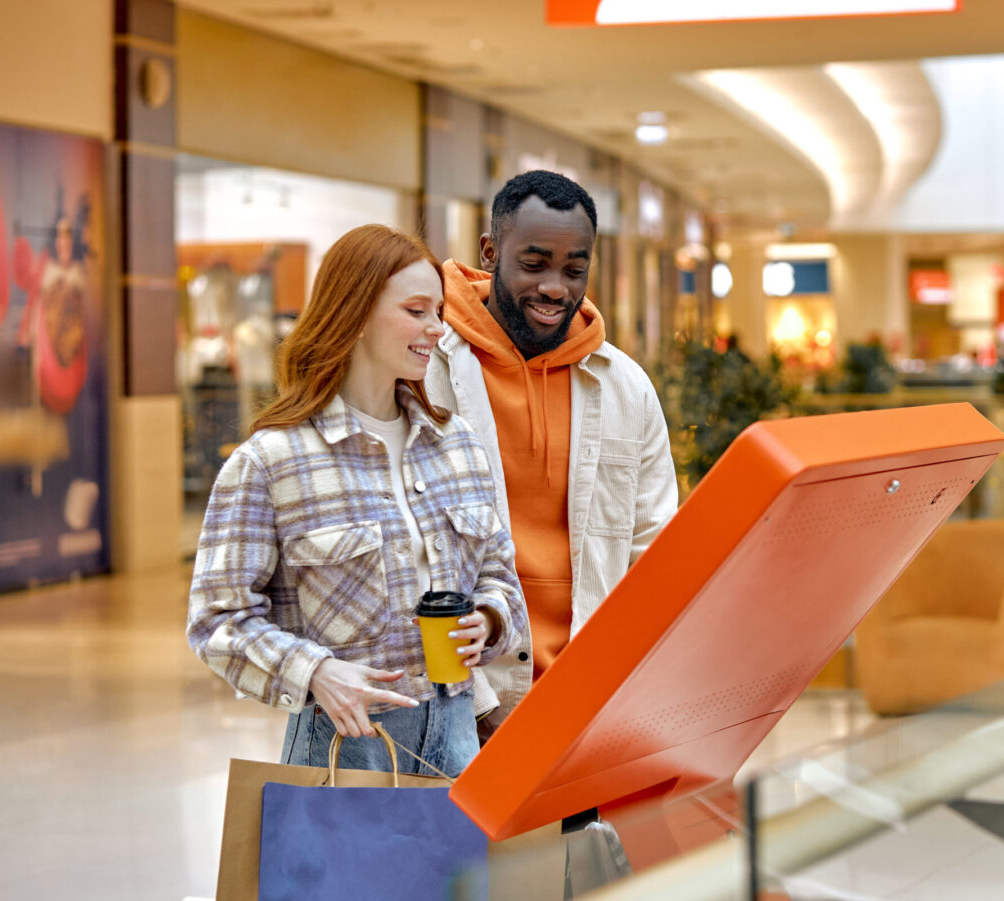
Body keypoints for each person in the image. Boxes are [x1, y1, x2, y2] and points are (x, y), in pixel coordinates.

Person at [188, 224, 526, 777]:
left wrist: (487, 620)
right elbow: (216, 621)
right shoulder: (272, 461)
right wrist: (316, 672)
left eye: (438, 312)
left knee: (457, 870)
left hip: (459, 733)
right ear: (358, 313)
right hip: (344, 746)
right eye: (417, 311)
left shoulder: (457, 446)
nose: (436, 329)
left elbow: (499, 575)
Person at [425, 170, 678, 734]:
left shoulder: (626, 387)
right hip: (459, 699)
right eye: (534, 264)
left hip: (587, 701)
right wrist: (481, 704)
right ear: (491, 252)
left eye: (574, 268)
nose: (555, 287)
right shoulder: (427, 372)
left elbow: (653, 549)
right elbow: (410, 552)